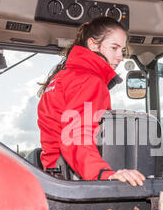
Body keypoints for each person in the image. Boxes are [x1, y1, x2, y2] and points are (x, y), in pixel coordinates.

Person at [37, 17, 145, 186]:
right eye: (114, 48)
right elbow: (76, 137)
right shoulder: (90, 81)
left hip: (54, 178)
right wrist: (104, 173)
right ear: (93, 44)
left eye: (122, 50)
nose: (120, 57)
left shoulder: (60, 78)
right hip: (75, 180)